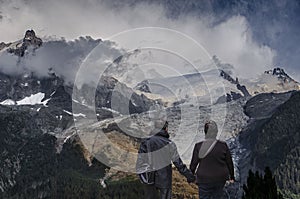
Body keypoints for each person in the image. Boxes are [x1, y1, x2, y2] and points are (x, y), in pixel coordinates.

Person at [137, 121, 195, 199]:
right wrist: (190, 176)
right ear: (166, 129)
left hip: (149, 179)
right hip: (165, 179)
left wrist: (143, 177)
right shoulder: (169, 144)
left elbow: (140, 163)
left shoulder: (146, 142)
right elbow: (178, 164)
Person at [190, 120, 235, 199]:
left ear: (205, 132)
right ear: (216, 132)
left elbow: (193, 164)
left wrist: (190, 177)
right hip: (220, 178)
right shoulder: (223, 145)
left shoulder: (198, 146)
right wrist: (232, 176)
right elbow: (229, 162)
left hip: (204, 179)